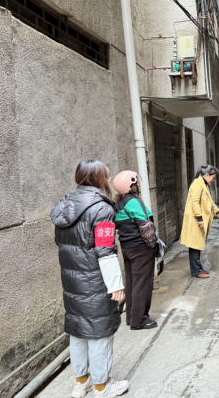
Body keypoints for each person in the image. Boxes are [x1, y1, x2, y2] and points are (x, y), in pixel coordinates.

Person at [50, 160, 129, 398]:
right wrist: (115, 284)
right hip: (95, 280)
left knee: (78, 330)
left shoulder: (65, 205)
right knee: (99, 333)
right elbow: (105, 250)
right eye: (106, 175)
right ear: (98, 178)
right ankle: (102, 387)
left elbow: (61, 243)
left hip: (71, 281)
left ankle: (80, 383)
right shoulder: (102, 209)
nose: (109, 179)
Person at [112, 171, 158, 331]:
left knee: (132, 283)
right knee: (142, 283)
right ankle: (140, 320)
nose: (137, 184)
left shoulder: (118, 203)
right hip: (141, 248)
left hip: (127, 248)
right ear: (131, 184)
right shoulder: (134, 201)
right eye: (136, 182)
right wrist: (154, 245)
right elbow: (145, 223)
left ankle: (131, 317)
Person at [180, 165, 219, 279]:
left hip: (199, 219)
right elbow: (195, 202)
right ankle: (196, 271)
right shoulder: (197, 185)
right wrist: (199, 218)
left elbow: (209, 201)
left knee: (197, 245)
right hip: (195, 220)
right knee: (194, 246)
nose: (213, 180)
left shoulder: (203, 184)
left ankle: (198, 268)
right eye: (213, 177)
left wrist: (217, 211)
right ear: (207, 175)